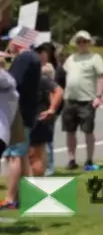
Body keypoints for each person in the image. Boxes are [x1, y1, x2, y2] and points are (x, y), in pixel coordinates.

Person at [2, 31, 41, 210]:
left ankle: (11, 198)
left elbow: (11, 83)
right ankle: (34, 195)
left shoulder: (23, 59)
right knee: (22, 155)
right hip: (27, 111)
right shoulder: (32, 58)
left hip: (20, 113)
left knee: (14, 155)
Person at [61, 31, 103, 171]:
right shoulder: (71, 58)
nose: (81, 44)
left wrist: (98, 96)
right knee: (70, 131)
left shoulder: (95, 58)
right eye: (79, 41)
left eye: (84, 41)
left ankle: (89, 160)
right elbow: (64, 75)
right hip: (70, 99)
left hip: (87, 99)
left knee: (88, 131)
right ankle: (72, 159)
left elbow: (101, 77)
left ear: (88, 42)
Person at [28, 63, 61, 177]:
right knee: (30, 155)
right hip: (30, 119)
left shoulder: (42, 80)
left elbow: (58, 92)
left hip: (39, 120)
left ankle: (38, 182)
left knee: (36, 154)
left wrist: (51, 109)